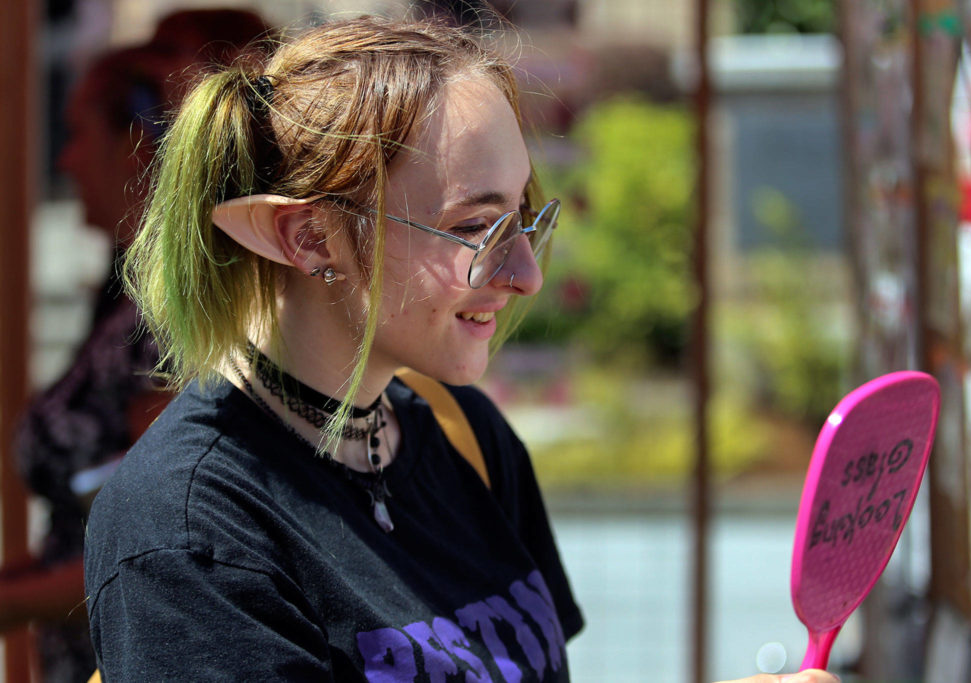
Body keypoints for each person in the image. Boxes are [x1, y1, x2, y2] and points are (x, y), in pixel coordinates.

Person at [82, 14, 838, 683]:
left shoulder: (465, 435)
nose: (527, 275)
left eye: (524, 218)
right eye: (476, 229)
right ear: (309, 235)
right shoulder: (190, 530)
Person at [6, 11, 269, 682]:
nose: (63, 159)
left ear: (135, 147)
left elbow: (169, 523)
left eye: (77, 134)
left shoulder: (168, 316)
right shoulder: (131, 299)